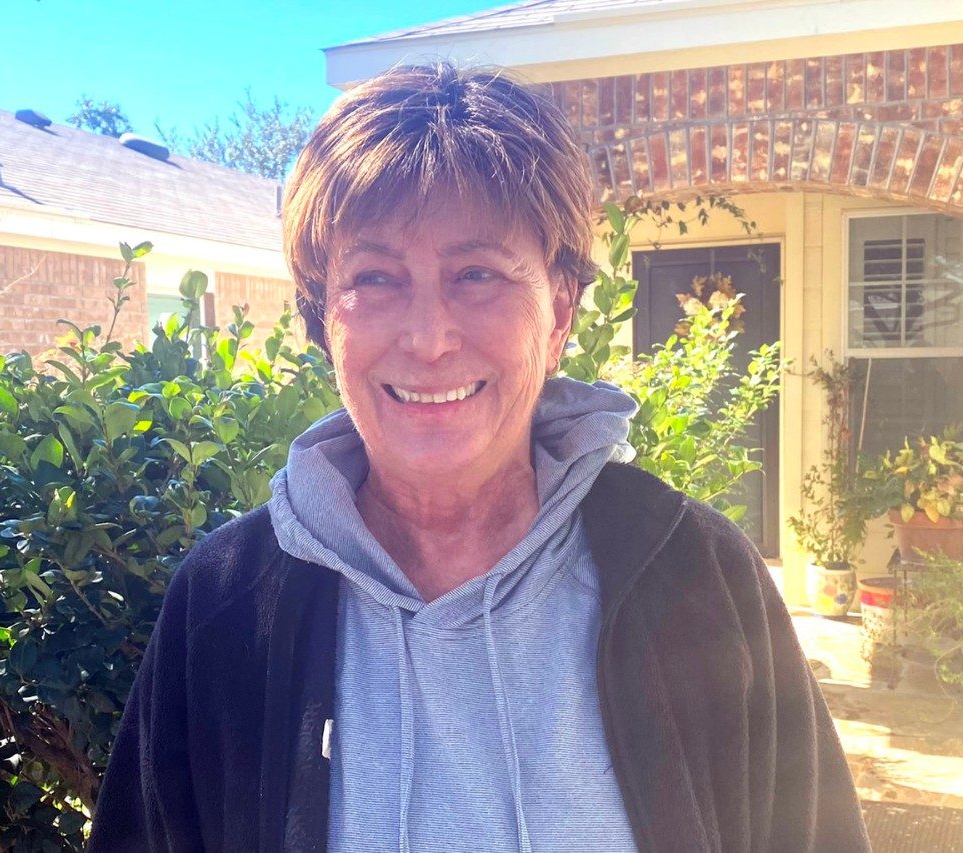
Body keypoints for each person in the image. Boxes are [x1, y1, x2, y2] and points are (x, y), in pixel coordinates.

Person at [88, 64, 869, 852]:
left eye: (477, 274)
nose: (429, 337)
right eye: (375, 278)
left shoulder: (695, 575)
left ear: (558, 312)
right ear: (323, 321)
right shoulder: (223, 608)